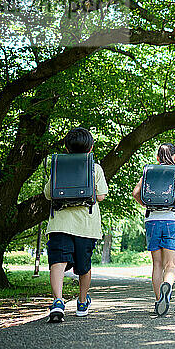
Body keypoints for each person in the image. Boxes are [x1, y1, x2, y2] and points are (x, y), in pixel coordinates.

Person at [44, 127, 108, 322]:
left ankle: (58, 301)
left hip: (60, 223)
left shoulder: (58, 166)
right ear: (90, 148)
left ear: (67, 147)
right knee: (84, 266)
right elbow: (100, 195)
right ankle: (81, 302)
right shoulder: (94, 168)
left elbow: (48, 194)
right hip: (85, 225)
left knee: (58, 262)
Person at [132, 143, 175, 316]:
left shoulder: (149, 171)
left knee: (157, 264)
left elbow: (136, 192)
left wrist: (145, 203)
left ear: (158, 158)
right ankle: (168, 285)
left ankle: (159, 299)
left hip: (152, 220)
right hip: (173, 220)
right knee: (171, 265)